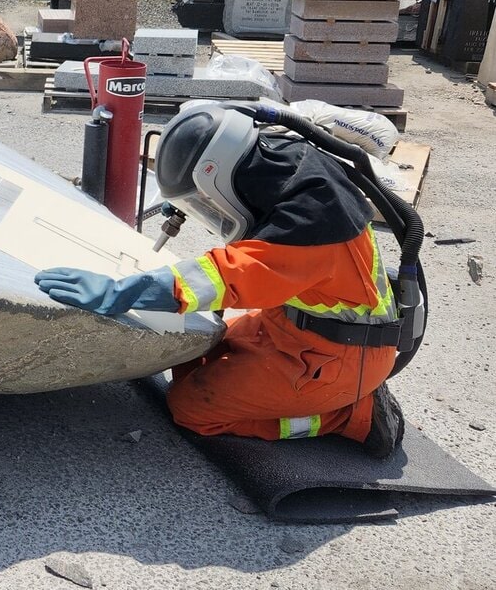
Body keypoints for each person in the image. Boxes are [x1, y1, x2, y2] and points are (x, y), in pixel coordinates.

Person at [36, 103, 405, 458]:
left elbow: (223, 276)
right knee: (196, 353)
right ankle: (333, 398)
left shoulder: (310, 232)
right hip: (296, 331)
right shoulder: (286, 167)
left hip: (334, 363)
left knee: (192, 407)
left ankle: (349, 417)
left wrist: (122, 292)